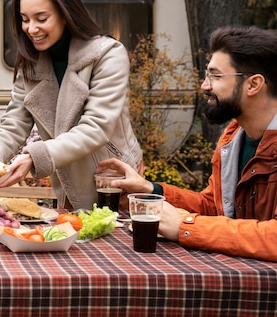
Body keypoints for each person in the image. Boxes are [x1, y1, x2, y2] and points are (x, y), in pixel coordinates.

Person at [98, 26, 277, 262]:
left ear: (253, 85)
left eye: (216, 76)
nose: (204, 85)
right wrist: (150, 190)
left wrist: (186, 226)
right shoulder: (233, 140)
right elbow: (213, 207)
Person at [0, 0, 142, 210]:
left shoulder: (108, 54)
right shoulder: (30, 62)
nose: (31, 29)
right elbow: (14, 124)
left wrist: (34, 156)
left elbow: (97, 127)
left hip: (114, 181)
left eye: (41, 18)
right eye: (25, 19)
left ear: (65, 15)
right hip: (68, 185)